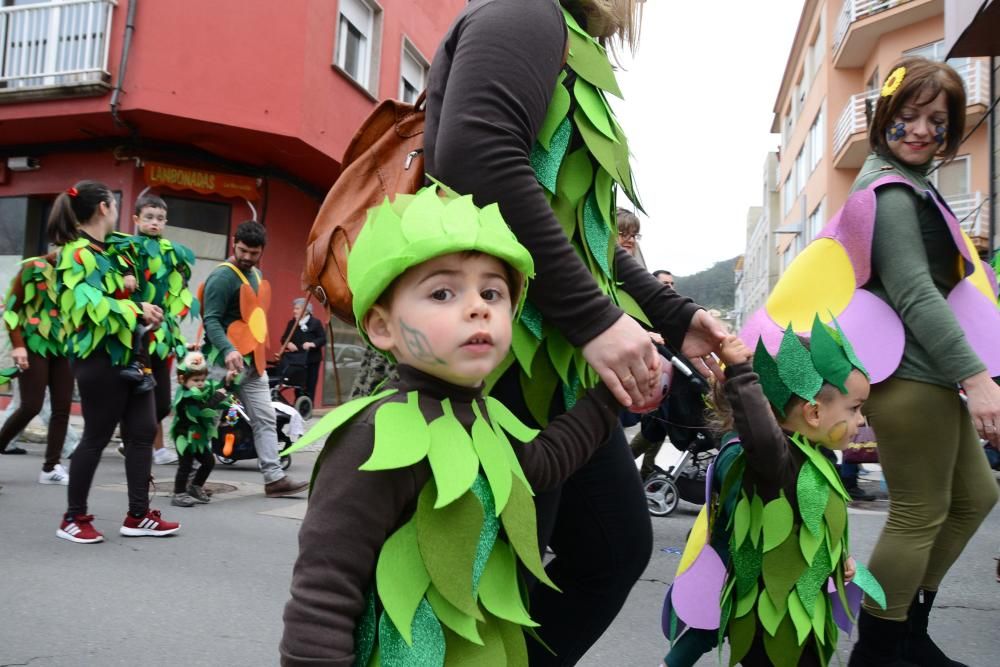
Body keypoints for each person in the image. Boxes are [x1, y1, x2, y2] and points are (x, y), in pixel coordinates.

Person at [417, 2, 729, 660]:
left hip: (552, 360)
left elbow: (580, 234)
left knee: (612, 547)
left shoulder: (562, 35)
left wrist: (672, 315)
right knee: (490, 593)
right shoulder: (526, 13)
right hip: (501, 360)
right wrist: (595, 320)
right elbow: (476, 156)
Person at [281, 187, 626, 665]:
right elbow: (323, 593)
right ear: (383, 327)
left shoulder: (485, 417)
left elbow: (542, 465)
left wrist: (612, 396)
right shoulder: (376, 434)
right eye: (443, 292)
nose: (478, 307)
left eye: (492, 292)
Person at [841, 59, 1000, 667]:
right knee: (918, 512)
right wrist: (977, 376)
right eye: (906, 115)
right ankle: (880, 646)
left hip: (930, 370)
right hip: (908, 372)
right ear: (884, 117)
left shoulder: (918, 187)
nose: (920, 130)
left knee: (974, 497)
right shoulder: (887, 190)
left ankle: (907, 629)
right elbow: (912, 291)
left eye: (937, 119)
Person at [662, 325, 885, 666]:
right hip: (769, 617)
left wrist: (840, 559)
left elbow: (811, 523)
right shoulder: (773, 465)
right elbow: (763, 440)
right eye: (854, 408)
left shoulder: (814, 455)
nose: (861, 419)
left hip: (797, 606)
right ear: (813, 413)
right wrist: (740, 374)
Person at [48, 181, 180, 544]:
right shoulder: (75, 253)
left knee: (142, 433)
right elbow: (86, 306)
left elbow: (123, 294)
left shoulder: (115, 250)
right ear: (104, 208)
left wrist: (146, 309)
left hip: (133, 356)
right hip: (98, 357)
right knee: (96, 436)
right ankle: (73, 518)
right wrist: (135, 307)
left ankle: (138, 515)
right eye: (115, 204)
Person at [200, 220, 308, 498]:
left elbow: (254, 320)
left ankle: (274, 479)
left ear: (263, 251)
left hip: (253, 365)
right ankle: (190, 479)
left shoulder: (257, 276)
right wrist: (228, 349)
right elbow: (210, 319)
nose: (247, 257)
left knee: (265, 420)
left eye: (254, 252)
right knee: (207, 419)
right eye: (243, 250)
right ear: (234, 242)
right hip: (220, 365)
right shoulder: (222, 277)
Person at [111, 194, 198, 465]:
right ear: (136, 219)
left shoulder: (172, 252)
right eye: (149, 218)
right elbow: (111, 281)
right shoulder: (126, 249)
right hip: (135, 331)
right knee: (137, 390)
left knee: (161, 403)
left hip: (162, 333)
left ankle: (133, 437)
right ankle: (132, 441)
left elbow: (177, 289)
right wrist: (123, 278)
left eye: (160, 219)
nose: (154, 223)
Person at [0, 252, 73, 485]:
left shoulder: (82, 271)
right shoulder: (34, 267)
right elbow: (11, 309)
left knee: (62, 408)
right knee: (32, 405)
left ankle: (51, 467)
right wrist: (18, 346)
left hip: (64, 345)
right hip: (33, 343)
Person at [169, 351, 231, 507]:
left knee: (208, 461)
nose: (200, 383)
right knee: (186, 465)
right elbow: (202, 409)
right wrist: (217, 397)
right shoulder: (186, 396)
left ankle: (195, 486)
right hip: (184, 436)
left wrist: (227, 381)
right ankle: (179, 493)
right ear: (183, 380)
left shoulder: (201, 390)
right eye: (196, 380)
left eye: (203, 380)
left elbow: (213, 392)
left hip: (198, 436)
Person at [279, 297, 326, 402]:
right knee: (298, 383)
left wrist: (312, 344)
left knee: (310, 384)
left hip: (312, 360)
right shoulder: (292, 323)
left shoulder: (315, 323)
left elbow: (323, 339)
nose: (294, 311)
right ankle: (298, 404)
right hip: (297, 359)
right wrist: (288, 343)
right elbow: (284, 339)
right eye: (294, 308)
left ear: (305, 311)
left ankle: (308, 405)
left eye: (297, 309)